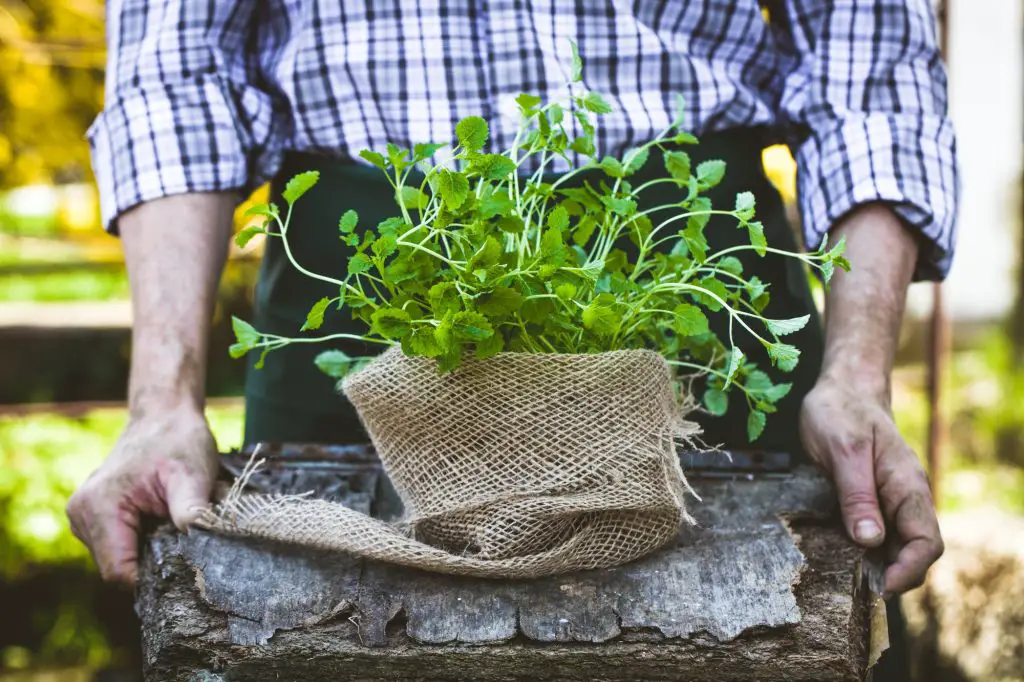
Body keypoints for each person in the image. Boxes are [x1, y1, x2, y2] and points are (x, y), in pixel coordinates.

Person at [68, 1, 956, 676]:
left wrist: (856, 377)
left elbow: (870, 68)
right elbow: (174, 76)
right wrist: (161, 402)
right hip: (366, 299)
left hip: (695, 288)